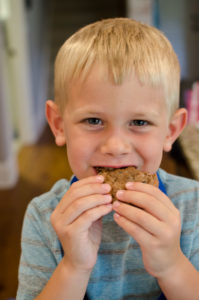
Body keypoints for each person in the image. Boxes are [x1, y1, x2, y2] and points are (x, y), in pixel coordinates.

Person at [16, 18, 199, 300]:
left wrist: (172, 265)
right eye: (93, 120)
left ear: (171, 131)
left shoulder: (193, 207)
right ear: (59, 125)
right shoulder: (44, 218)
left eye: (139, 122)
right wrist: (73, 267)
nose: (115, 146)